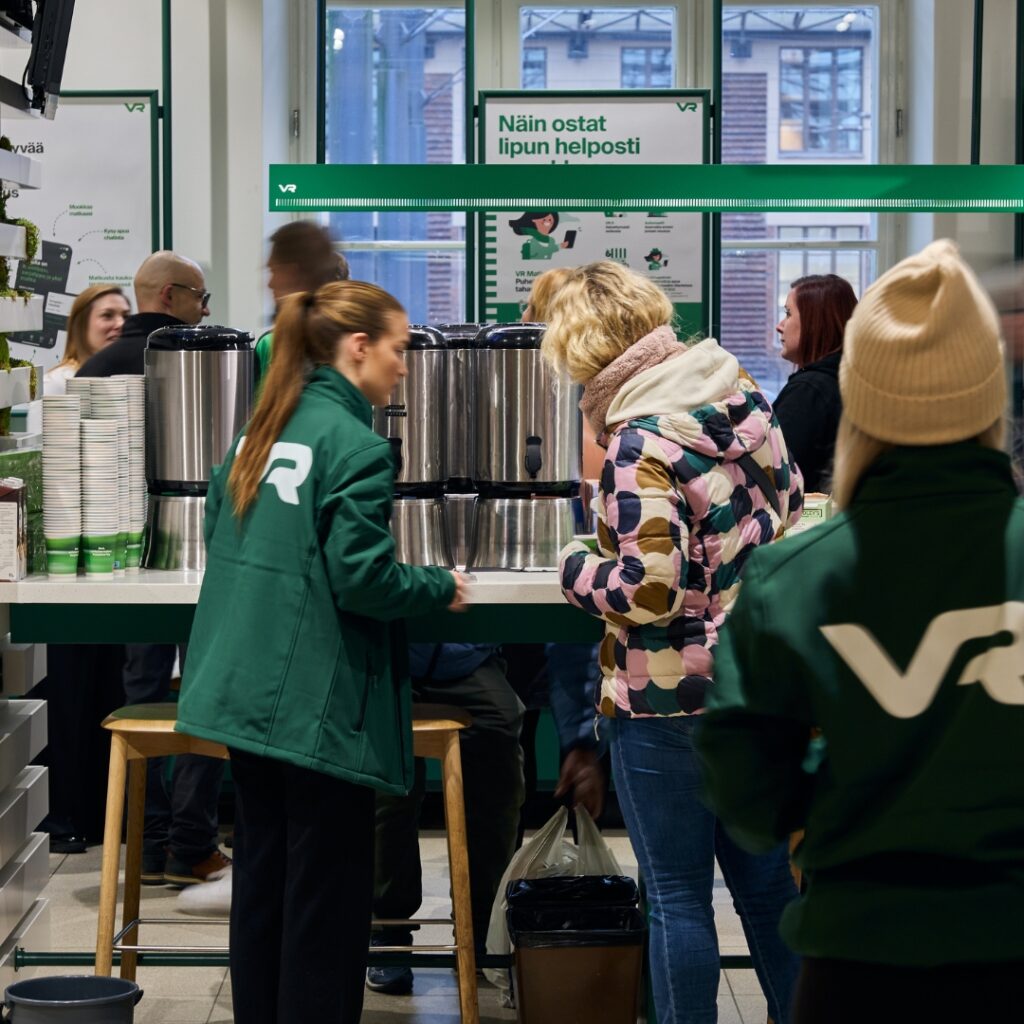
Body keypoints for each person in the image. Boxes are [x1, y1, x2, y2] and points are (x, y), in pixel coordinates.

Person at [696, 239, 1024, 1024]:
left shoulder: (793, 578)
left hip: (859, 960)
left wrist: (846, 779)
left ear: (864, 400)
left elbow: (747, 793)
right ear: (989, 397)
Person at [175, 280, 466, 1024]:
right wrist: (437, 586)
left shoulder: (257, 433)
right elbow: (363, 579)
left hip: (243, 692)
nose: (405, 366)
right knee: (326, 903)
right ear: (358, 347)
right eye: (399, 350)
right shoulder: (356, 445)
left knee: (265, 884)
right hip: (316, 705)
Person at [542, 260, 803, 1024]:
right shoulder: (741, 393)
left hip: (668, 696)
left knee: (677, 896)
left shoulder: (638, 441)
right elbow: (787, 505)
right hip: (758, 681)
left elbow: (647, 591)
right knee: (765, 889)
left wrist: (572, 566)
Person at [77, 252, 223, 886]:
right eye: (201, 296)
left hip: (125, 558)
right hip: (201, 554)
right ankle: (190, 846)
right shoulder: (205, 362)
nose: (206, 309)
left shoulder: (96, 368)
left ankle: (145, 841)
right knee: (205, 696)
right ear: (172, 294)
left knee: (140, 701)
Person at [368, 643, 524, 995]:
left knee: (499, 734)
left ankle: (483, 928)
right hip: (387, 657)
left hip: (467, 659)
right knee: (389, 789)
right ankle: (387, 930)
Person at [772, 274, 858, 492]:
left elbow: (775, 474)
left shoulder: (809, 391)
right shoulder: (851, 381)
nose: (779, 326)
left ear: (815, 323)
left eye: (788, 314)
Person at [77, 250, 210, 377]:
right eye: (200, 297)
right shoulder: (200, 363)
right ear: (169, 295)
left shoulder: (90, 371)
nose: (206, 311)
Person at [254, 220, 350, 389]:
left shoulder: (275, 344)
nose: (270, 283)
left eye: (274, 270)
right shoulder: (349, 339)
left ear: (292, 273)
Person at [44, 285, 130, 395]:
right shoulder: (56, 382)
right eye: (107, 315)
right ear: (81, 325)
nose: (121, 324)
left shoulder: (131, 381)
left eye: (126, 316)